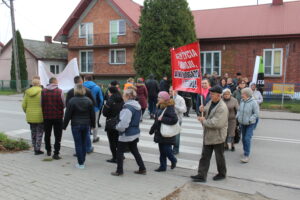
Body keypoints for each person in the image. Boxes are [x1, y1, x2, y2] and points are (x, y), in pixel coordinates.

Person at [191, 85, 228, 182]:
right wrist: (201, 109)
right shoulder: (211, 102)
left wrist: (203, 121)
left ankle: (222, 173)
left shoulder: (222, 107)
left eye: (212, 94)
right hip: (208, 135)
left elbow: (216, 123)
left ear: (219, 95)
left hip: (218, 136)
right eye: (210, 93)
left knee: (219, 157)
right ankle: (201, 175)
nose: (210, 95)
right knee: (205, 156)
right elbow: (206, 109)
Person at [111, 89, 146, 176]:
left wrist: (117, 127)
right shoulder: (137, 106)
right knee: (134, 150)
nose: (122, 96)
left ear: (128, 96)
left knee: (119, 152)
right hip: (134, 132)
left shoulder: (127, 108)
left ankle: (119, 171)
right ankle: (142, 168)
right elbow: (139, 119)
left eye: (123, 95)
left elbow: (123, 124)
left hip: (126, 134)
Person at [63, 85, 95, 169]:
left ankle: (80, 163)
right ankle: (82, 160)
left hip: (76, 124)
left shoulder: (72, 101)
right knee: (84, 143)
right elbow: (93, 114)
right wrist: (93, 125)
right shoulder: (89, 101)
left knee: (78, 144)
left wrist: (64, 125)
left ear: (75, 91)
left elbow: (67, 115)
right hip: (86, 124)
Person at [149, 91, 178, 172]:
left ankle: (173, 160)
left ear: (164, 99)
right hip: (160, 132)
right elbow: (156, 120)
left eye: (159, 97)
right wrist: (152, 130)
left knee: (167, 150)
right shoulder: (160, 106)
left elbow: (174, 119)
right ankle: (162, 166)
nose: (158, 98)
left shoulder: (169, 107)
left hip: (166, 133)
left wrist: (163, 119)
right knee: (162, 151)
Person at [66, 76, 95, 154]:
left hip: (75, 119)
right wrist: (93, 123)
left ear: (74, 82)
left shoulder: (70, 92)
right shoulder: (87, 90)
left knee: (78, 138)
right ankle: (88, 148)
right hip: (86, 118)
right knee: (86, 135)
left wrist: (65, 123)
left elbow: (67, 105)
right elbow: (93, 103)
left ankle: (79, 152)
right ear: (81, 81)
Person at [41, 77, 65, 159]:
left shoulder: (43, 91)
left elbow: (41, 103)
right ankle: (56, 153)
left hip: (47, 116)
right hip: (58, 116)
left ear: (49, 82)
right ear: (55, 82)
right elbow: (63, 104)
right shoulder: (60, 91)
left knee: (47, 134)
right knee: (58, 135)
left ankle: (48, 150)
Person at [22, 78, 44, 155]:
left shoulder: (27, 92)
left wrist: (27, 112)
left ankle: (34, 147)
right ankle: (37, 149)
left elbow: (24, 105)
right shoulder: (42, 91)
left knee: (33, 132)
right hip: (40, 116)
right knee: (40, 133)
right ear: (39, 83)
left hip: (30, 116)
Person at [237, 88, 259, 163]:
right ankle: (245, 151)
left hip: (250, 124)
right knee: (243, 139)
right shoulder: (242, 101)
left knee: (247, 139)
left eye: (242, 93)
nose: (241, 95)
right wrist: (237, 116)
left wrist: (250, 120)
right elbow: (239, 110)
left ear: (246, 94)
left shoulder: (253, 102)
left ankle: (246, 155)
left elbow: (256, 114)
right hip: (242, 123)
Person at [102, 86, 124, 163]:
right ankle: (121, 155)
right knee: (119, 140)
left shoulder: (110, 100)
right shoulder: (122, 99)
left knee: (112, 141)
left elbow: (104, 113)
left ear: (110, 92)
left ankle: (115, 158)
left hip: (111, 123)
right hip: (120, 122)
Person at [83, 76, 104, 143]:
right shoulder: (97, 87)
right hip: (95, 108)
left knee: (85, 122)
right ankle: (95, 138)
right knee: (94, 123)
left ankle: (86, 138)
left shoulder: (81, 87)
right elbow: (101, 99)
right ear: (92, 80)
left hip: (83, 108)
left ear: (85, 79)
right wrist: (99, 107)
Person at [169, 87, 186, 155]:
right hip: (169, 119)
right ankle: (169, 148)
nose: (170, 92)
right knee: (169, 134)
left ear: (176, 91)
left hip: (178, 119)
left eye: (171, 91)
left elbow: (184, 110)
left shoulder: (180, 99)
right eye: (169, 91)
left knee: (176, 135)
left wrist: (175, 106)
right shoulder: (169, 98)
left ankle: (176, 149)